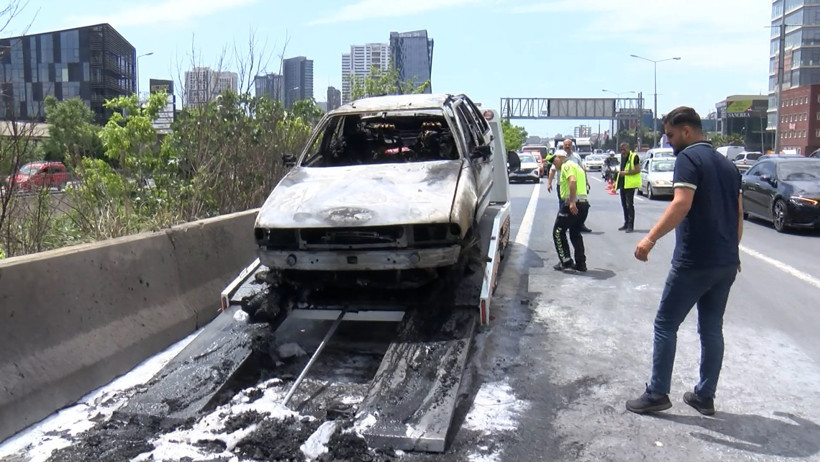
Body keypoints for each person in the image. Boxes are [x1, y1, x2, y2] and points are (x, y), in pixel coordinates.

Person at [626, 106, 743, 416]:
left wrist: (649, 238)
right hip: (726, 261)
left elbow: (681, 203)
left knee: (665, 324)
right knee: (711, 328)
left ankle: (657, 392)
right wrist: (734, 251)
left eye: (670, 135)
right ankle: (704, 396)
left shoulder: (688, 159)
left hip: (695, 261)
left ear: (687, 131)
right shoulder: (729, 167)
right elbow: (738, 214)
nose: (668, 141)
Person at [551, 149, 590, 272]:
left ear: (560, 157)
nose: (554, 163)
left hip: (572, 204)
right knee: (575, 233)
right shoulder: (577, 166)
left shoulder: (567, 165)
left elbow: (572, 181)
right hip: (584, 204)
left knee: (558, 231)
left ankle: (566, 260)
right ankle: (581, 263)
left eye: (554, 159)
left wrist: (572, 202)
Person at [616, 142, 641, 233]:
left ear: (628, 148)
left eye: (624, 149)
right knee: (624, 204)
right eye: (621, 149)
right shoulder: (622, 157)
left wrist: (625, 173)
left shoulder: (634, 156)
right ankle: (626, 223)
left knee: (629, 205)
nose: (622, 151)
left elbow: (637, 170)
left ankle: (630, 225)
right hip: (623, 184)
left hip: (630, 185)